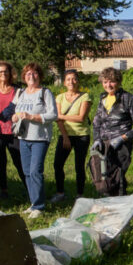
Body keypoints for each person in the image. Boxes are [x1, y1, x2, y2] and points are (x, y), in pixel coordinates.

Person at [11, 63, 57, 219]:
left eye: (35, 73)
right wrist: (15, 116)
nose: (31, 76)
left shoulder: (45, 93)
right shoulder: (21, 93)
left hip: (39, 138)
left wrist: (32, 117)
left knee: (35, 171)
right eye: (28, 74)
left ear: (40, 76)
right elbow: (16, 111)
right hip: (23, 138)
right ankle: (33, 203)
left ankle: (39, 206)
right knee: (26, 173)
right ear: (24, 77)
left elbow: (53, 115)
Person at [91, 67, 133, 196]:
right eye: (105, 82)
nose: (108, 85)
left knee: (118, 176)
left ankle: (120, 204)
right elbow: (96, 122)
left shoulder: (128, 99)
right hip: (104, 143)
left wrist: (122, 138)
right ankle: (108, 203)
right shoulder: (102, 99)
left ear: (119, 82)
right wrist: (97, 139)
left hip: (121, 145)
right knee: (103, 175)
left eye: (112, 81)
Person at [0, 60, 26, 200]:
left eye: (5, 71)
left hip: (15, 132)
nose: (3, 73)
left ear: (10, 73)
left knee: (19, 161)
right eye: (0, 71)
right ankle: (4, 190)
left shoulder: (18, 90)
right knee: (1, 162)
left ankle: (29, 188)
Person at [51, 69, 92, 202]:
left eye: (74, 79)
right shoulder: (60, 97)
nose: (71, 82)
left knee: (79, 166)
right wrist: (66, 137)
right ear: (64, 82)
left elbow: (81, 118)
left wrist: (61, 116)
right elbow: (58, 121)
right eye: (68, 79)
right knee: (57, 164)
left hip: (81, 135)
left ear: (78, 81)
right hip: (65, 135)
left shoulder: (85, 97)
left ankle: (80, 194)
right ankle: (60, 192)